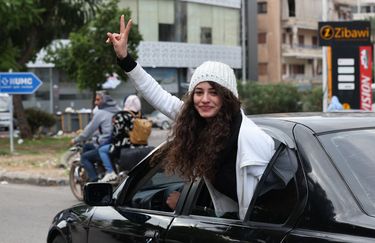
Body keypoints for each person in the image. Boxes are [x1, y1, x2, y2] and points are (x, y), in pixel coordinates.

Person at [106, 15, 275, 220]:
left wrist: (194, 207)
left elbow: (267, 205)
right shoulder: (198, 122)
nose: (204, 99)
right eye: (198, 92)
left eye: (213, 92)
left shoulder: (250, 139)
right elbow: (158, 95)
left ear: (227, 97)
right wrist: (125, 58)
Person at [71, 91, 119, 182]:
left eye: (98, 100)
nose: (95, 103)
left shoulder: (101, 113)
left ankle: (94, 180)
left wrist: (75, 140)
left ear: (104, 101)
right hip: (115, 143)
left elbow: (88, 131)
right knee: (87, 146)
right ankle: (99, 169)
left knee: (85, 157)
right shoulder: (116, 110)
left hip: (106, 145)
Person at [97, 94, 143, 182]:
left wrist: (104, 142)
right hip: (139, 145)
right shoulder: (140, 115)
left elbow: (116, 134)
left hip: (122, 147)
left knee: (102, 150)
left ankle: (110, 172)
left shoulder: (121, 115)